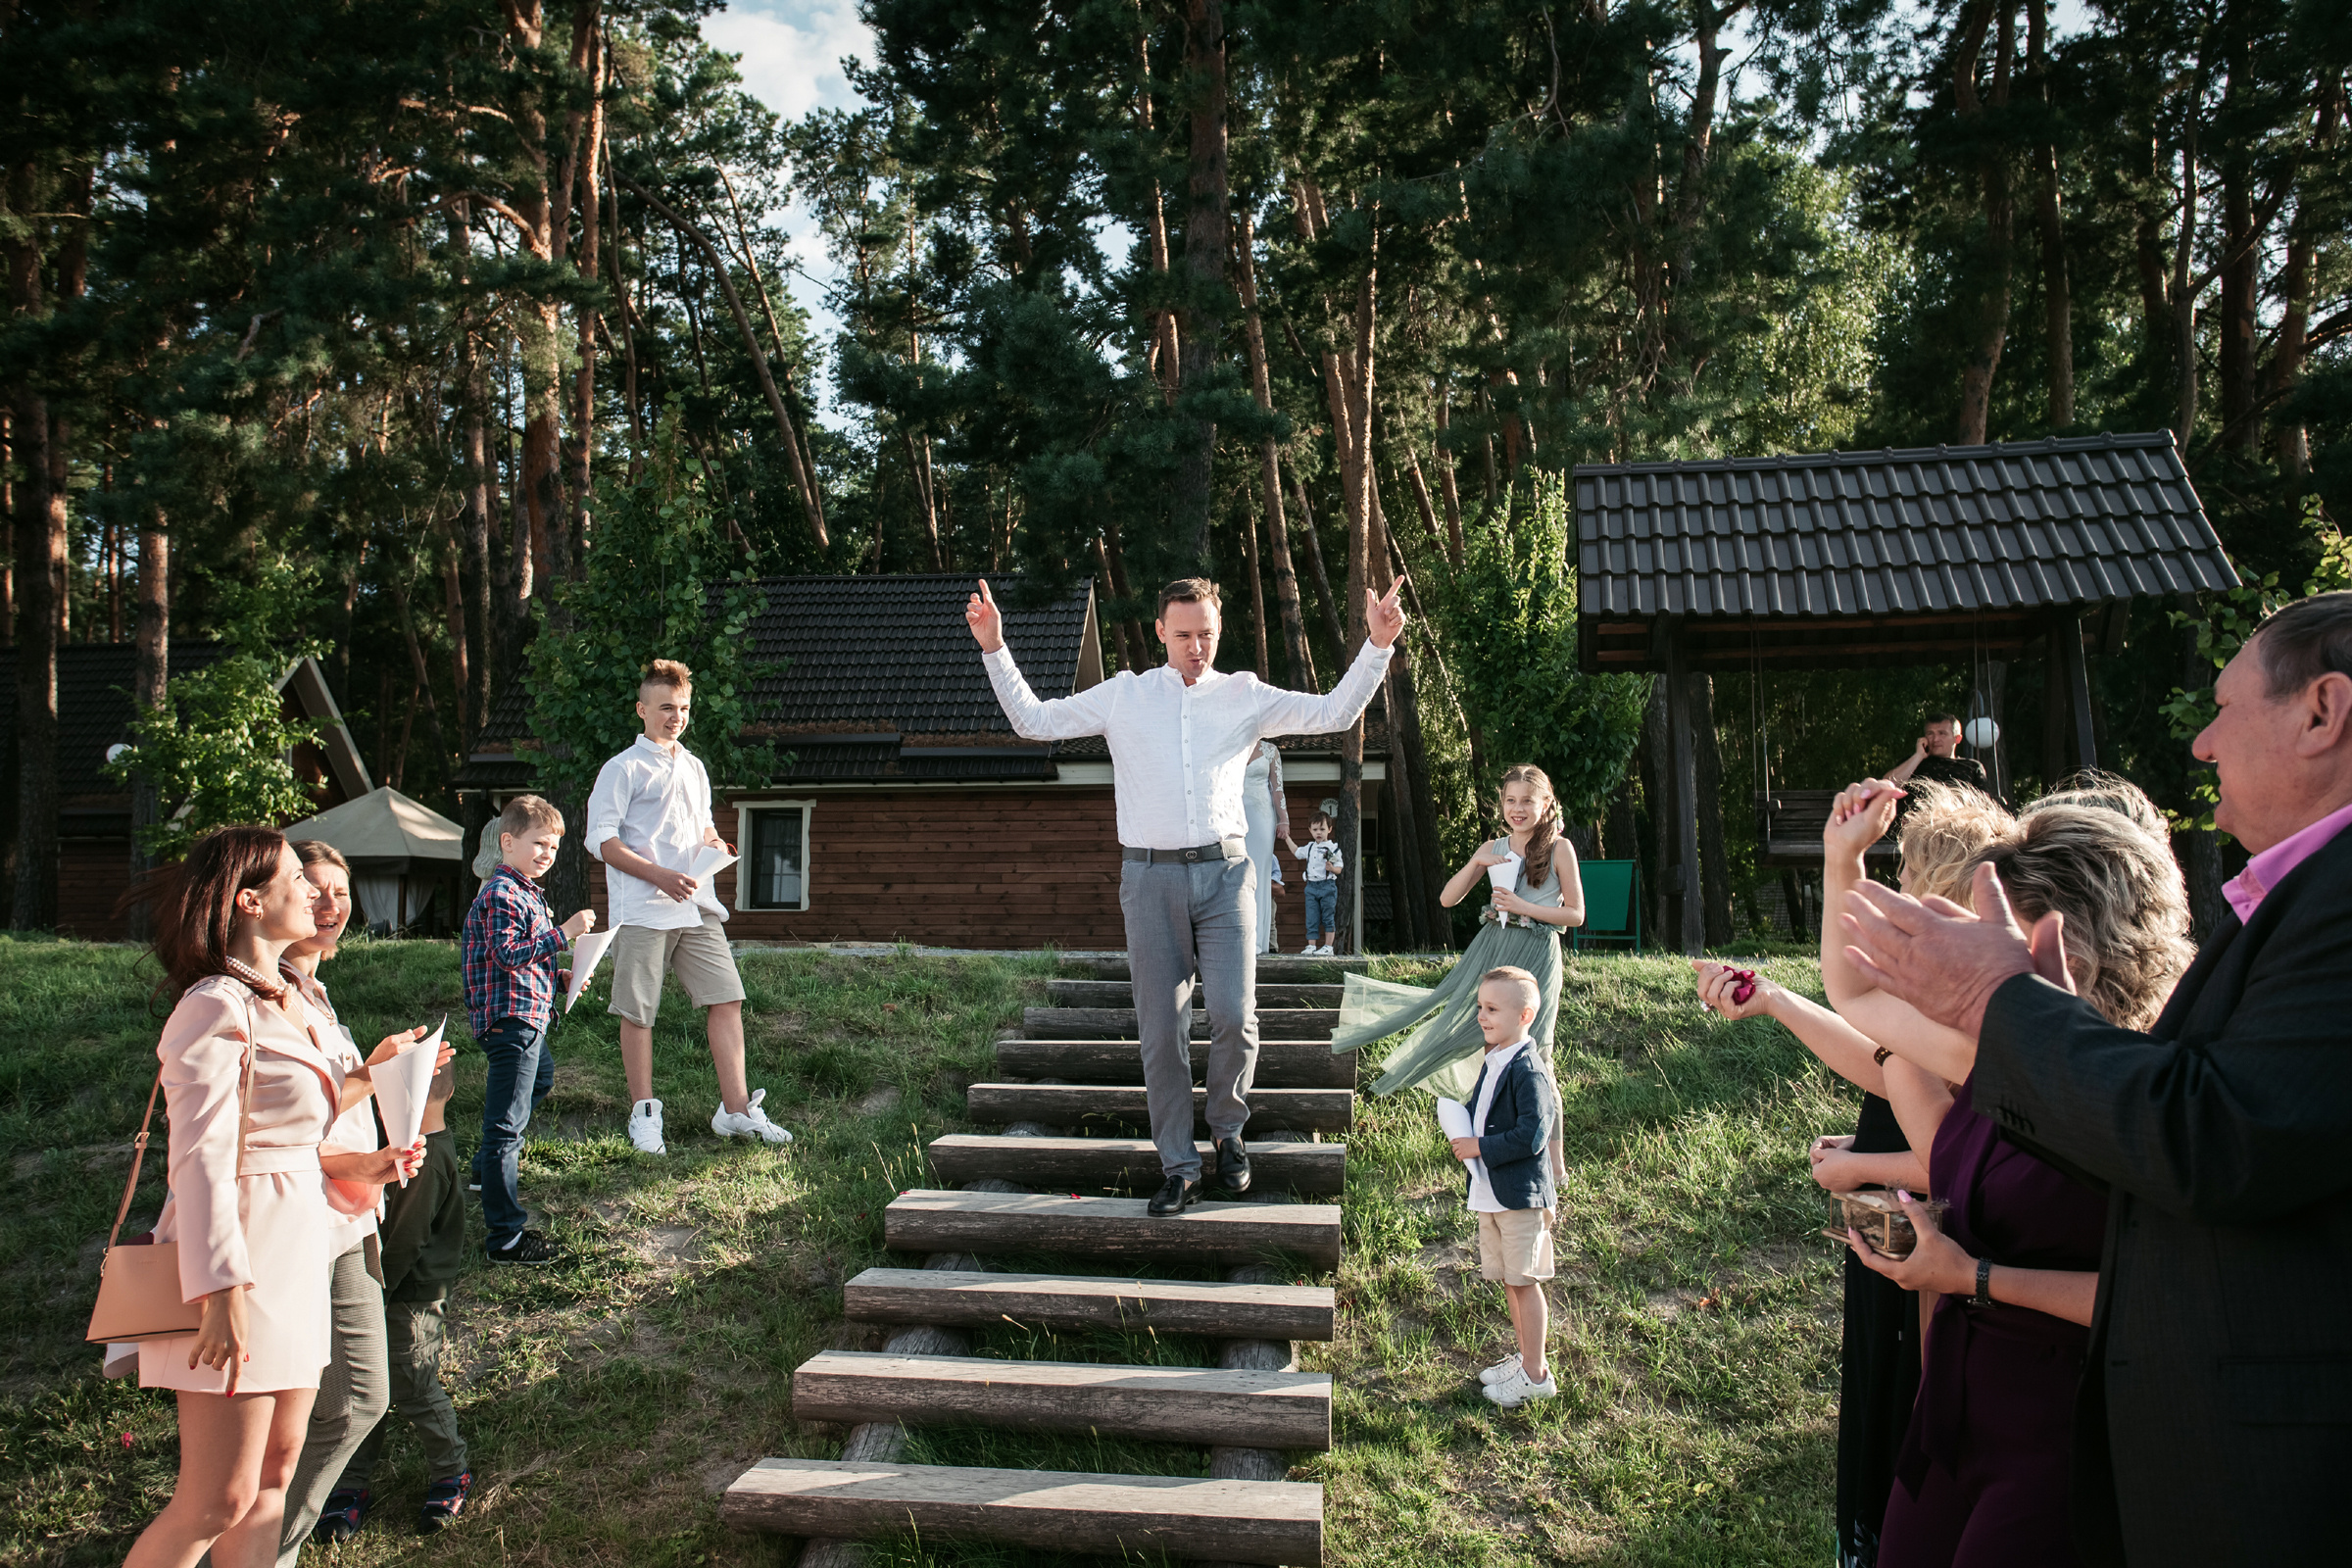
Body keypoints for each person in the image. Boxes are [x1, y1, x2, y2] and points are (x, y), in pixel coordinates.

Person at [1837, 590, 2352, 1567]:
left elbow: (2216, 1136)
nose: (2202, 743)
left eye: (2228, 707)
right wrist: (2049, 1023)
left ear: (2324, 711)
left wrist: (2003, 1002)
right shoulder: (2295, 899)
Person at [967, 574, 1404, 1215]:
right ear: (1159, 634)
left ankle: (1227, 1133)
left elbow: (1334, 712)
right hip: (1150, 881)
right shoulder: (1124, 696)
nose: (1197, 647)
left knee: (1234, 1016)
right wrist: (995, 648)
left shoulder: (1245, 694)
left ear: (1218, 631)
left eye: (1207, 634)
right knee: (1161, 1031)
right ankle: (1178, 1166)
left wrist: (1377, 646)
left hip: (1226, 877)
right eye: (1183, 636)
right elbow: (1035, 720)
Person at [1692, 777, 2009, 1568]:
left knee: (1919, 1432)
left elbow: (1967, 1149)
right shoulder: (1947, 1001)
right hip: (1897, 1252)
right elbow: (1882, 1061)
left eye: (1902, 878)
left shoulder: (1987, 1010)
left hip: (1946, 1267)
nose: (1895, 895)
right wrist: (1776, 1002)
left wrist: (1859, 1169)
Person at [120, 827, 437, 1568]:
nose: (316, 893)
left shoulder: (291, 999)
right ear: (250, 901)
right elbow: (198, 1161)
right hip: (243, 1257)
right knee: (214, 1500)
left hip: (300, 1247)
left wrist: (374, 1161)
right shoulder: (213, 1004)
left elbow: (301, 1125)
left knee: (272, 1482)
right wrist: (220, 1286)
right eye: (298, 877)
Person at [1335, 765, 1583, 1182]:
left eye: (1527, 800)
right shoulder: (1495, 845)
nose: (1518, 809)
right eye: (1510, 800)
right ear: (1500, 804)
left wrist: (1522, 907)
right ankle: (1493, 1145)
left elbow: (1575, 914)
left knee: (1538, 1057)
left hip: (1537, 956)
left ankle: (1553, 1160)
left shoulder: (1559, 849)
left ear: (1545, 803)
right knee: (1484, 1045)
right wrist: (1476, 862)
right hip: (1492, 951)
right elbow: (1448, 899)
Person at [585, 660, 794, 1155]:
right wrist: (658, 875)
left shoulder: (695, 766)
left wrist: (715, 843)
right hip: (643, 908)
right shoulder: (622, 767)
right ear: (642, 710)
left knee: (727, 998)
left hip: (698, 904)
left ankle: (736, 1110)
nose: (674, 716)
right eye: (664, 708)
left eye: (682, 708)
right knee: (639, 1013)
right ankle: (645, 1116)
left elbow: (701, 826)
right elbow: (602, 842)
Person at [268, 840, 395, 1564]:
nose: (330, 903)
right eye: (312, 888)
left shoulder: (315, 991)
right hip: (297, 1227)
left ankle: (267, 1546)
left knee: (359, 1401)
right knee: (305, 1415)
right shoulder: (266, 993)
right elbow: (282, 1130)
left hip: (351, 1213)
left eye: (341, 890)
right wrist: (376, 1075)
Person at [319, 1056, 471, 1538]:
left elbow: (405, 1240)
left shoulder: (424, 1161)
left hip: (409, 1295)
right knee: (366, 1389)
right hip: (391, 1290)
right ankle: (351, 1482)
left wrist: (375, 1287)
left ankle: (451, 1471)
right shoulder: (411, 1149)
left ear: (398, 1100)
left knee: (412, 1385)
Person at [462, 794, 595, 1263]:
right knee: (505, 1128)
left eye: (554, 848)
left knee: (540, 1080)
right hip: (511, 1020)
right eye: (537, 843)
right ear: (507, 841)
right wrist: (567, 933)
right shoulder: (500, 893)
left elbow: (524, 960)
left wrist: (559, 977)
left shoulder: (524, 892)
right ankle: (506, 1238)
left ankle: (483, 1173)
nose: (546, 854)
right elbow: (507, 954)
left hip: (528, 1014)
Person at [1446, 967, 1560, 1410]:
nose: (1482, 1016)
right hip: (1493, 1193)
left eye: (1493, 1009)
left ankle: (1536, 1374)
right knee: (1510, 1283)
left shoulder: (1529, 1070)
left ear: (1525, 1015)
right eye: (1480, 1007)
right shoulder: (1495, 1060)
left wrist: (1478, 1144)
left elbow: (1532, 1136)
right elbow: (1483, 1113)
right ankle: (1525, 1358)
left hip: (1520, 1197)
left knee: (1525, 1282)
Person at [1242, 739, 1288, 955]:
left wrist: (1283, 819)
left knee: (1259, 873)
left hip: (1261, 817)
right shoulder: (1230, 744)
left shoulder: (1271, 751)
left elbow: (1277, 789)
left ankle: (1258, 940)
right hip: (1231, 815)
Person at [1887, 711, 1989, 799]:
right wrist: (1918, 756)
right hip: (1914, 818)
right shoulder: (1913, 763)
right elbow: (1888, 786)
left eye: (1942, 733)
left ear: (1957, 738)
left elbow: (1983, 804)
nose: (1935, 739)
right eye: (1930, 733)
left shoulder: (1971, 767)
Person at [1287, 811, 1344, 956]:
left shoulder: (1331, 848)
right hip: (1311, 886)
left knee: (1327, 916)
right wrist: (1286, 837)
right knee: (1311, 916)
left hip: (1327, 886)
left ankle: (1328, 947)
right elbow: (1297, 852)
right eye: (1315, 829)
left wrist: (1332, 868)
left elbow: (1339, 868)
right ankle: (1311, 945)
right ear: (1310, 830)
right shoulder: (1310, 847)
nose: (1319, 832)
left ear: (1329, 830)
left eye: (1322, 829)